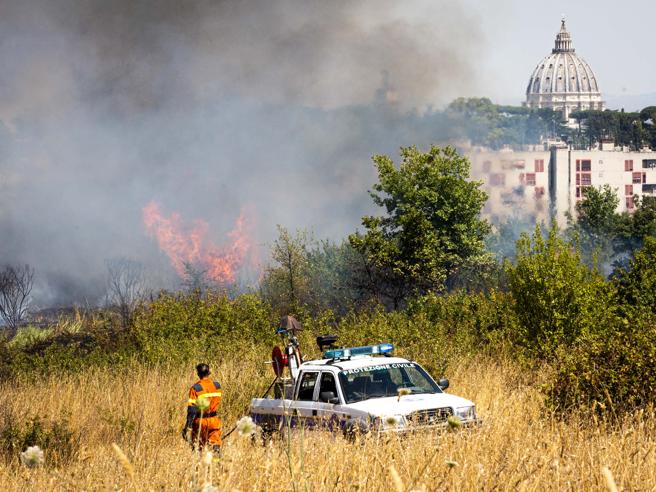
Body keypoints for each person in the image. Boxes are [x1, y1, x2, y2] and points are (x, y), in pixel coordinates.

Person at [182, 363, 223, 451]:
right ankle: (217, 463)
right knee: (215, 445)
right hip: (214, 421)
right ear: (209, 372)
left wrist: (188, 426)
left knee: (198, 447)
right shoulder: (217, 386)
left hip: (200, 422)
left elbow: (192, 410)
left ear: (198, 374)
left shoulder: (196, 388)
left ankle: (199, 464)